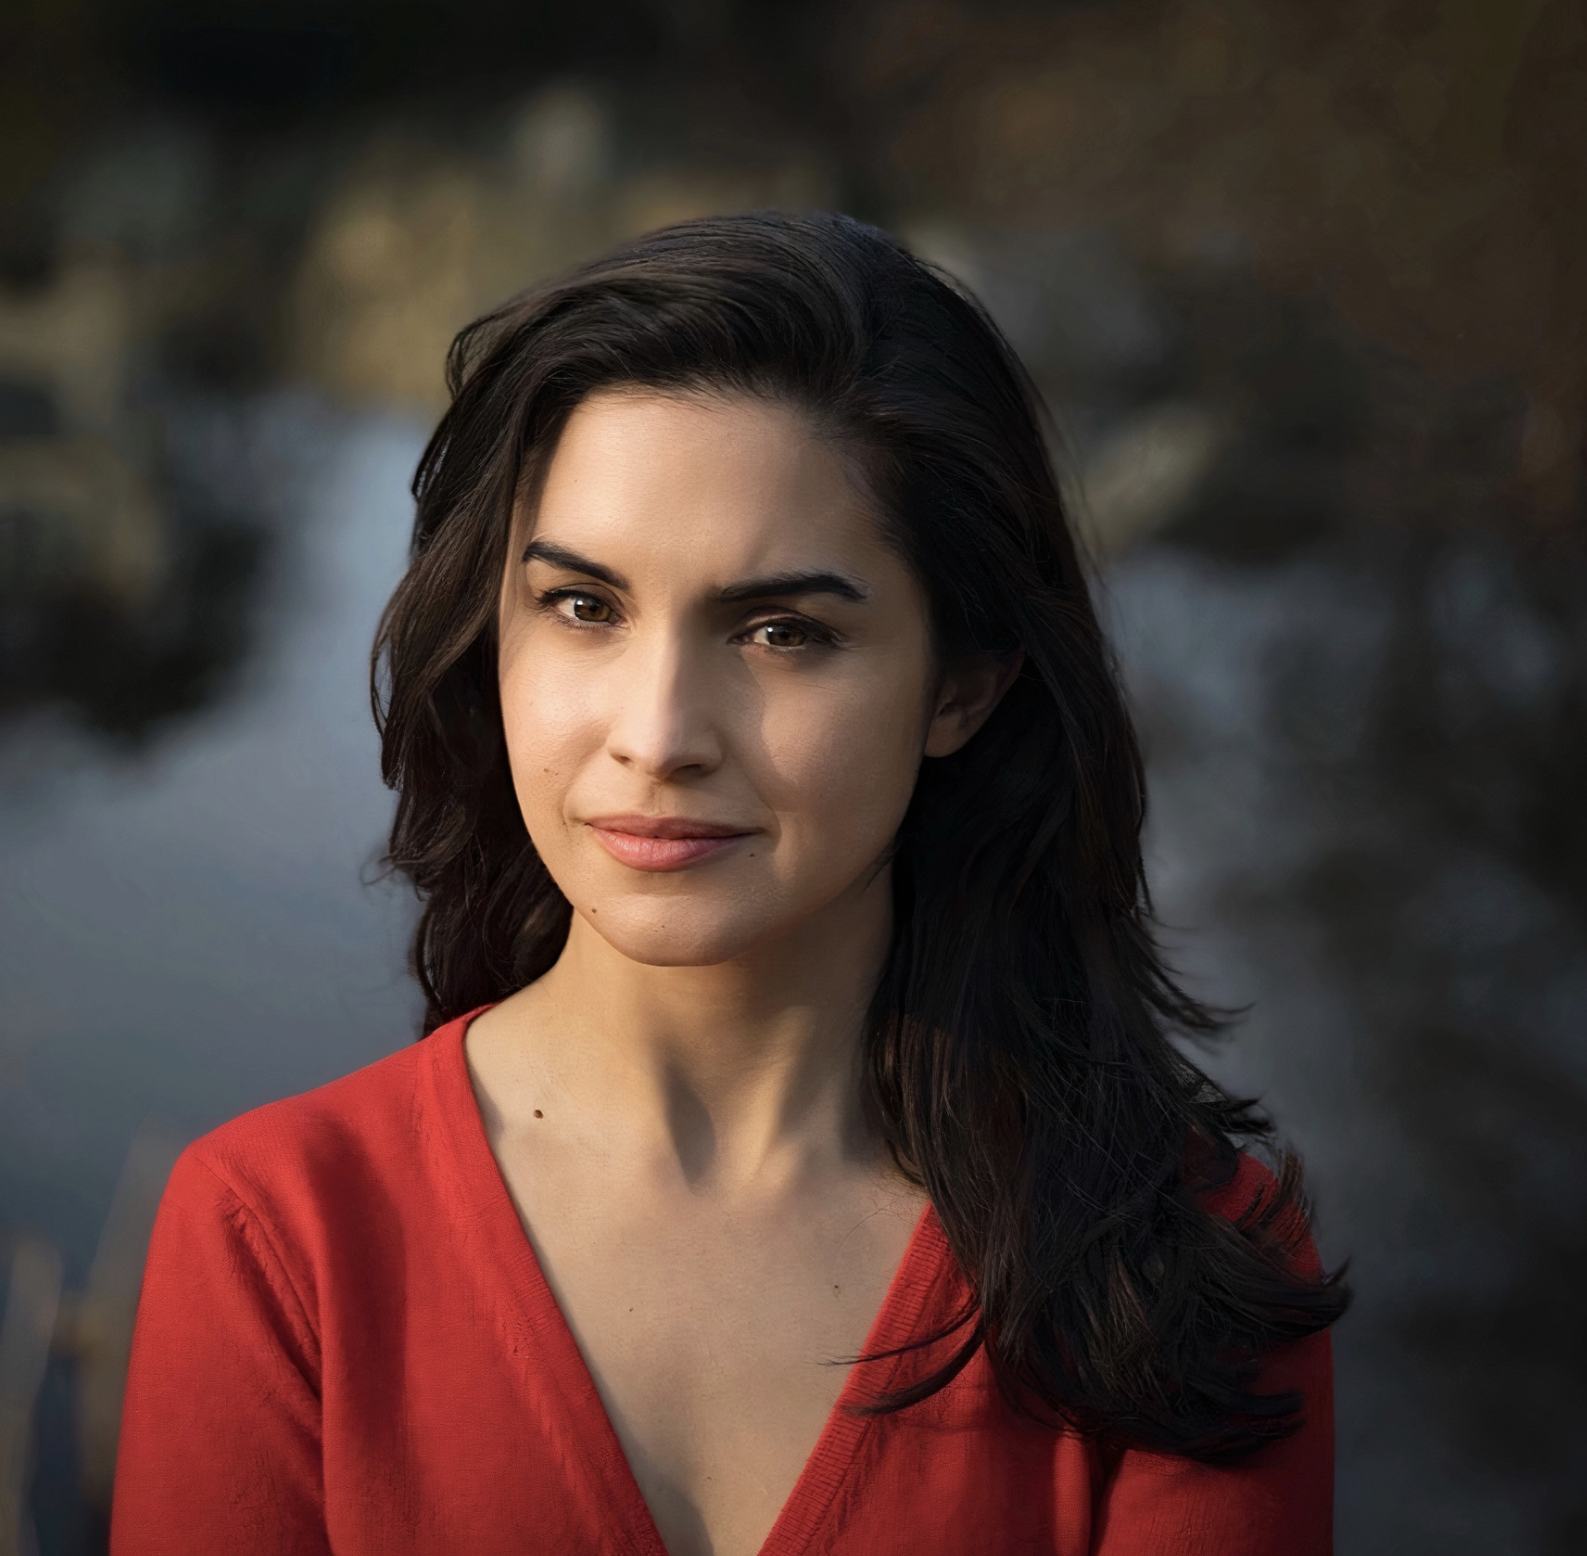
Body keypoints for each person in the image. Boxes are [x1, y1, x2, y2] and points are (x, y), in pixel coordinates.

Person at [112, 211, 1346, 1556]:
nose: (657, 734)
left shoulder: (1178, 1271)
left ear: (962, 685)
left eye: (779, 632)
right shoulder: (282, 1232)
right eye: (583, 607)